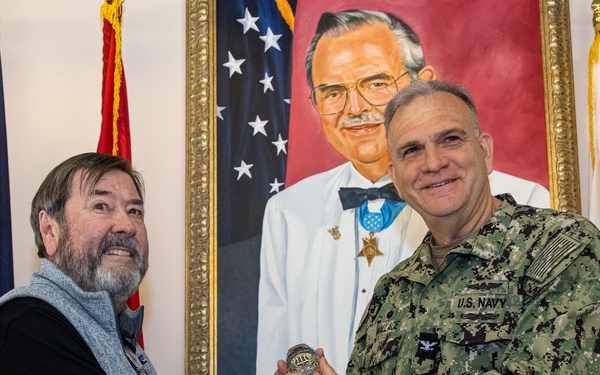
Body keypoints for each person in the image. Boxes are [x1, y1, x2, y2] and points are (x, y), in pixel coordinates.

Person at [257, 9, 551, 374]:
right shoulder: (287, 211)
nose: (355, 108)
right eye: (333, 92)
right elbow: (274, 352)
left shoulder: (525, 202)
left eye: (376, 82)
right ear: (314, 103)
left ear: (420, 82)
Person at [277, 80, 600, 374]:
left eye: (450, 139)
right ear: (397, 178)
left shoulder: (561, 247)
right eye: (412, 150)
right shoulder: (391, 291)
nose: (433, 163)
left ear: (485, 152)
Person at [0, 152, 157, 374]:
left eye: (134, 211)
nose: (127, 225)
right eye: (101, 206)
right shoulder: (26, 326)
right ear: (49, 230)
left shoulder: (118, 337)